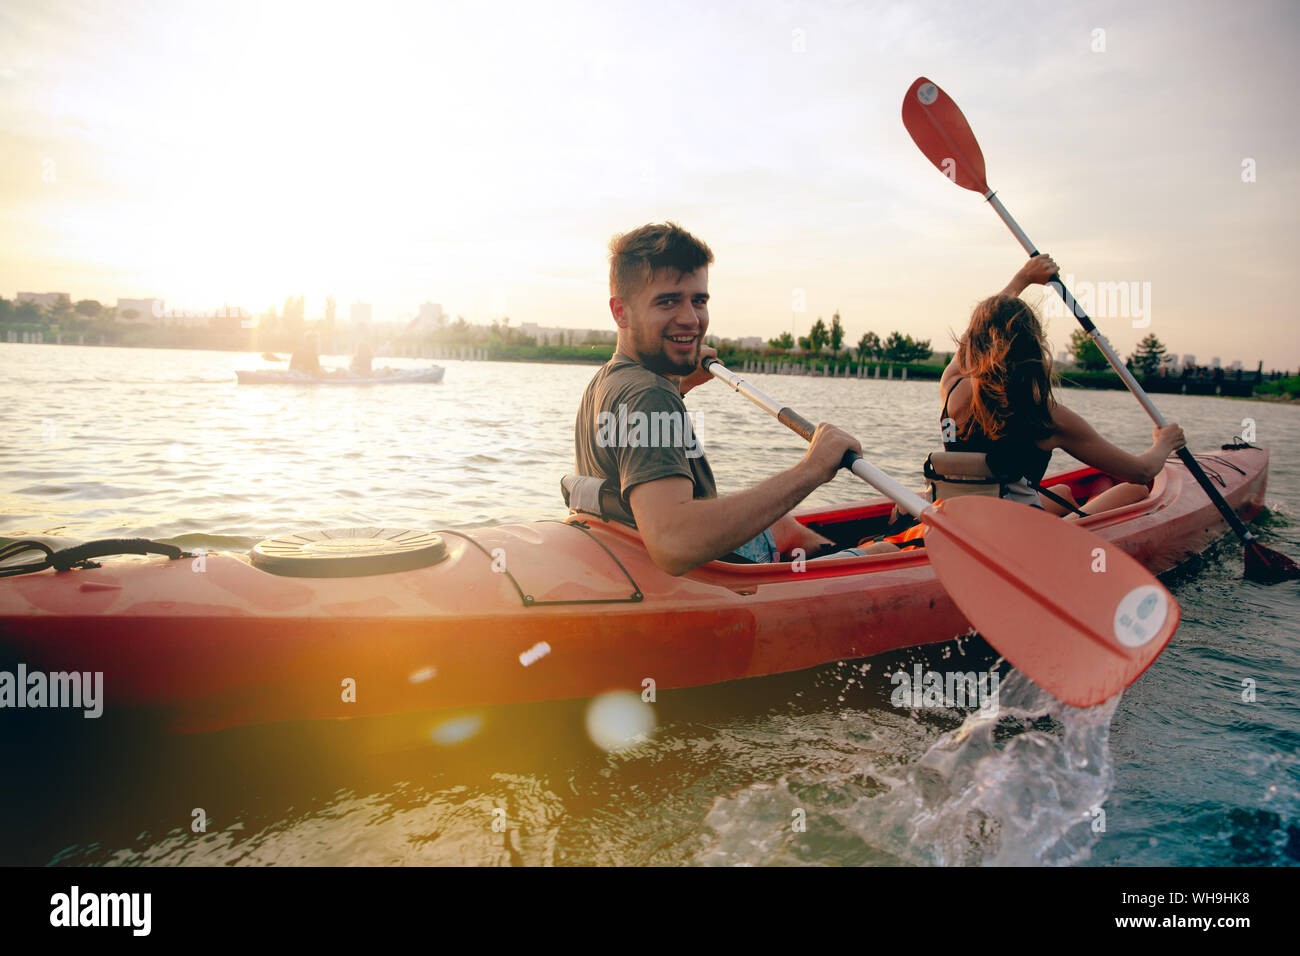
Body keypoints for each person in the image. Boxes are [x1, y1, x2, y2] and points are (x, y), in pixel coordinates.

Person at [574, 222, 862, 576]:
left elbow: (637, 433)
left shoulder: (612, 382)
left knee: (783, 527)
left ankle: (833, 554)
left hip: (628, 563)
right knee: (881, 550)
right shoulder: (649, 394)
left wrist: (680, 385)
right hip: (697, 582)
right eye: (667, 302)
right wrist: (812, 469)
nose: (690, 319)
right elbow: (673, 542)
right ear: (621, 312)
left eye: (699, 301)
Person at [937, 254, 1186, 518]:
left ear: (974, 342)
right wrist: (1163, 443)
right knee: (1133, 491)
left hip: (959, 517)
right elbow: (1142, 471)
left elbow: (977, 333)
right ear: (1035, 345)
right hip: (1012, 531)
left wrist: (1023, 278)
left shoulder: (952, 390)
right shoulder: (1047, 418)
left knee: (1064, 493)